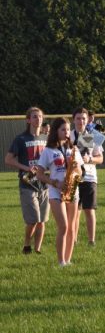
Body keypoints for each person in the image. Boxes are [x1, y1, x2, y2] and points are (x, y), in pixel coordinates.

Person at [35, 117, 83, 266]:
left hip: (72, 189)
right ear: (56, 131)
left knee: (71, 227)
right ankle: (61, 261)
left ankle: (68, 260)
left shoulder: (73, 149)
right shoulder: (48, 151)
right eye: (63, 129)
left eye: (68, 129)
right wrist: (54, 182)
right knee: (63, 226)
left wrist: (74, 168)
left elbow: (81, 172)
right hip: (56, 191)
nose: (67, 132)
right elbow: (39, 174)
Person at [5, 106, 48, 255]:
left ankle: (37, 249)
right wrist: (25, 167)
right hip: (27, 184)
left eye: (40, 116)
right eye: (35, 116)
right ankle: (26, 245)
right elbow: (8, 159)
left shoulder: (46, 139)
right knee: (33, 219)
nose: (38, 119)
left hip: (44, 184)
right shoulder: (21, 139)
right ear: (28, 120)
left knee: (42, 219)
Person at [72, 107, 103, 246]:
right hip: (72, 177)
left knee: (89, 210)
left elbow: (100, 158)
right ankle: (73, 240)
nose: (81, 121)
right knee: (75, 212)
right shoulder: (68, 135)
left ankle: (91, 241)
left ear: (88, 119)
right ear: (73, 120)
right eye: (78, 118)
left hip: (89, 177)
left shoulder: (93, 135)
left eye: (83, 118)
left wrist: (89, 159)